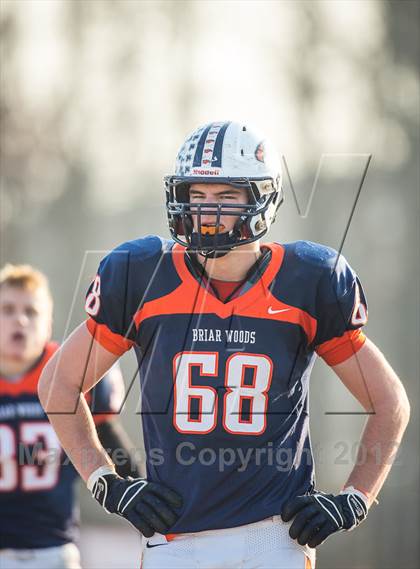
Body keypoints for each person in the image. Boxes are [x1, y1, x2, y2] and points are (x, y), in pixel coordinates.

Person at [38, 121, 410, 569]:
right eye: (196, 196)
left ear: (260, 199)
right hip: (172, 538)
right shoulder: (141, 274)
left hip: (271, 536)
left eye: (225, 196)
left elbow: (390, 403)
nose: (206, 211)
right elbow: (58, 387)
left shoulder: (308, 280)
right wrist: (106, 481)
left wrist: (356, 499)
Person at [0, 264, 141, 569]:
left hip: (54, 549)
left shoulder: (69, 375)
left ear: (48, 322)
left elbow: (110, 442)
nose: (20, 320)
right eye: (7, 309)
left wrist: (140, 489)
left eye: (31, 311)